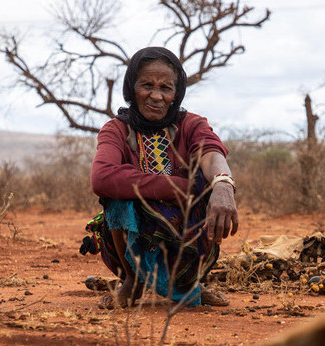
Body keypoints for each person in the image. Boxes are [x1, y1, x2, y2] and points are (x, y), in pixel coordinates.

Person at [83, 46, 239, 309]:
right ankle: (132, 282)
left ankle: (190, 283)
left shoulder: (191, 125)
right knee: (116, 198)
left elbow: (211, 153)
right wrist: (180, 188)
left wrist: (223, 183)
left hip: (184, 240)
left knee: (209, 187)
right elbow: (102, 177)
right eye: (146, 85)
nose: (156, 96)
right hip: (129, 240)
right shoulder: (117, 130)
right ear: (131, 87)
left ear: (176, 94)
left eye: (166, 88)